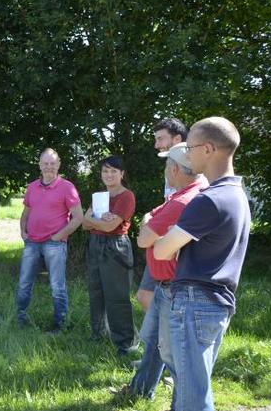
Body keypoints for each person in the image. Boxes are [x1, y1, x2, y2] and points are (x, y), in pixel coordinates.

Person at [154, 117, 251, 411]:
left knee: (194, 391)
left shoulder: (209, 200)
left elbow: (162, 248)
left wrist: (162, 233)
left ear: (208, 149)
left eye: (191, 147)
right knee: (198, 385)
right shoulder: (236, 193)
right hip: (215, 301)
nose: (186, 155)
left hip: (195, 301)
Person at [125, 143, 208, 411]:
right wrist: (151, 224)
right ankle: (140, 390)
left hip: (174, 288)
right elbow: (151, 221)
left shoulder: (182, 202)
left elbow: (144, 237)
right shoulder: (185, 194)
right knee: (155, 345)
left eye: (166, 166)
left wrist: (149, 225)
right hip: (166, 286)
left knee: (175, 357)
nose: (165, 171)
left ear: (174, 168)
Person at [15, 148, 82, 332]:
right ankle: (20, 320)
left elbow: (78, 217)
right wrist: (23, 232)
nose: (49, 167)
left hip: (55, 243)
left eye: (53, 163)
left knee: (57, 286)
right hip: (32, 243)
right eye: (45, 163)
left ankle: (61, 325)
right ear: (40, 165)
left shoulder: (67, 187)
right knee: (24, 283)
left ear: (59, 165)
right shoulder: (32, 187)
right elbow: (25, 213)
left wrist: (58, 236)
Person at [82, 156, 137, 352]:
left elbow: (111, 226)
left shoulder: (126, 196)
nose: (109, 175)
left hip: (116, 247)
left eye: (114, 171)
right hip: (96, 244)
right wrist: (98, 221)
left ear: (122, 174)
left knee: (117, 295)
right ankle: (99, 334)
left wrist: (94, 220)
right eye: (105, 171)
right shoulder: (99, 196)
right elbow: (83, 223)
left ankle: (125, 342)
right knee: (96, 292)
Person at [137, 118, 188, 312]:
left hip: (176, 243)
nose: (156, 145)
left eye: (160, 139)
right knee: (146, 295)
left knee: (150, 295)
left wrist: (151, 221)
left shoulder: (191, 171)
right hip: (163, 240)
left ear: (177, 139)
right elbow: (169, 203)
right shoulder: (172, 167)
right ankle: (160, 340)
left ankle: (164, 340)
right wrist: (152, 215)